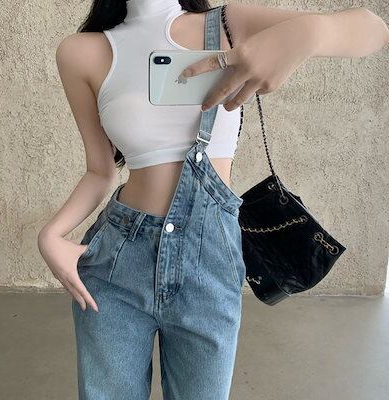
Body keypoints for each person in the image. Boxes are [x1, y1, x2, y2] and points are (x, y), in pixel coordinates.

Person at [37, 0, 388, 398]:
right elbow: (100, 171)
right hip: (116, 261)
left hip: (210, 259)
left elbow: (374, 30)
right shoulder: (81, 52)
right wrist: (51, 235)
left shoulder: (228, 24)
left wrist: (308, 32)